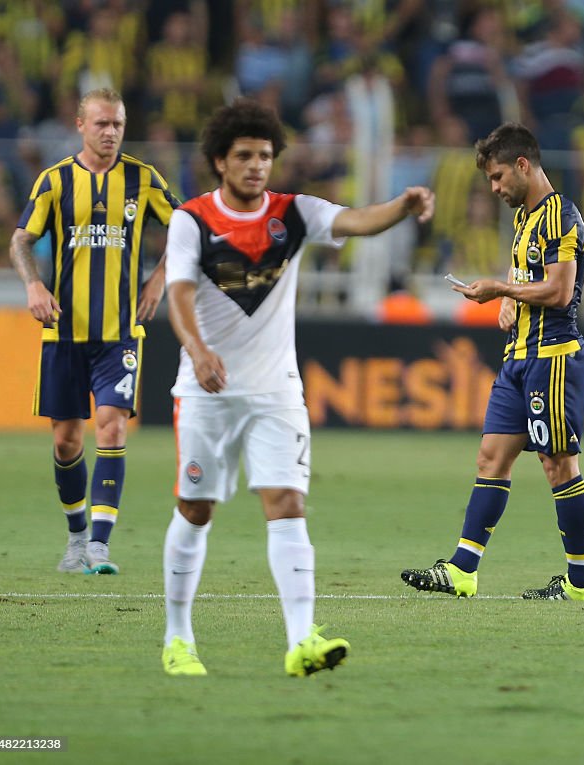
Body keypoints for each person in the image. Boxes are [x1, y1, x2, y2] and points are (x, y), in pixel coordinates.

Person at [161, 99, 434, 677]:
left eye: (264, 155)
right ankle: (178, 639)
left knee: (287, 505)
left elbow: (357, 220)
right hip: (206, 389)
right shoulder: (192, 220)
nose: (257, 166)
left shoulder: (295, 212)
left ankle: (301, 639)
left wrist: (403, 206)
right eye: (244, 156)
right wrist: (198, 349)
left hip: (276, 390)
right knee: (196, 508)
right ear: (220, 161)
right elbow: (178, 296)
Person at [401, 122, 584, 601]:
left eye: (497, 177)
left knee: (558, 465)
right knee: (491, 456)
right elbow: (525, 272)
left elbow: (559, 290)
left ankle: (581, 583)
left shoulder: (560, 215)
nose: (494, 188)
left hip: (552, 359)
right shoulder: (525, 220)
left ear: (523, 166)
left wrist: (501, 289)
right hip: (517, 359)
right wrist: (509, 300)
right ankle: (463, 569)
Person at [9, 87, 181, 576]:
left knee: (112, 422)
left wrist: (159, 277)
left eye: (118, 124)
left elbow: (188, 225)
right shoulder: (55, 180)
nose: (111, 132)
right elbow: (21, 239)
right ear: (80, 125)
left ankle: (100, 548)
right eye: (102, 124)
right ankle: (76, 537)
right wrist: (34, 285)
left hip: (120, 332)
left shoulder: (143, 179)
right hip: (63, 332)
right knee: (66, 441)